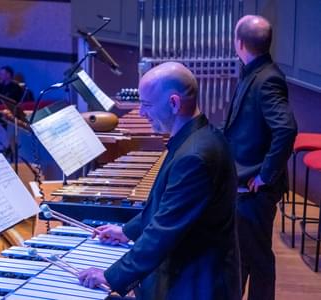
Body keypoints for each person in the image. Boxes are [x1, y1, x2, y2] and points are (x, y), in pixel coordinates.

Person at [78, 62, 241, 300]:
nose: (142, 113)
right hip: (191, 272)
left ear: (174, 103)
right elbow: (165, 207)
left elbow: (165, 229)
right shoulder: (197, 137)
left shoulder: (195, 155)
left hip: (197, 285)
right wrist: (127, 231)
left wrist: (112, 276)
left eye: (146, 105)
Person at [222, 15, 297, 300]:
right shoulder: (256, 71)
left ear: (239, 43)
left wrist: (265, 175)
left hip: (255, 189)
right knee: (247, 255)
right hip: (246, 184)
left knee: (258, 259)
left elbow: (286, 129)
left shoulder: (267, 79)